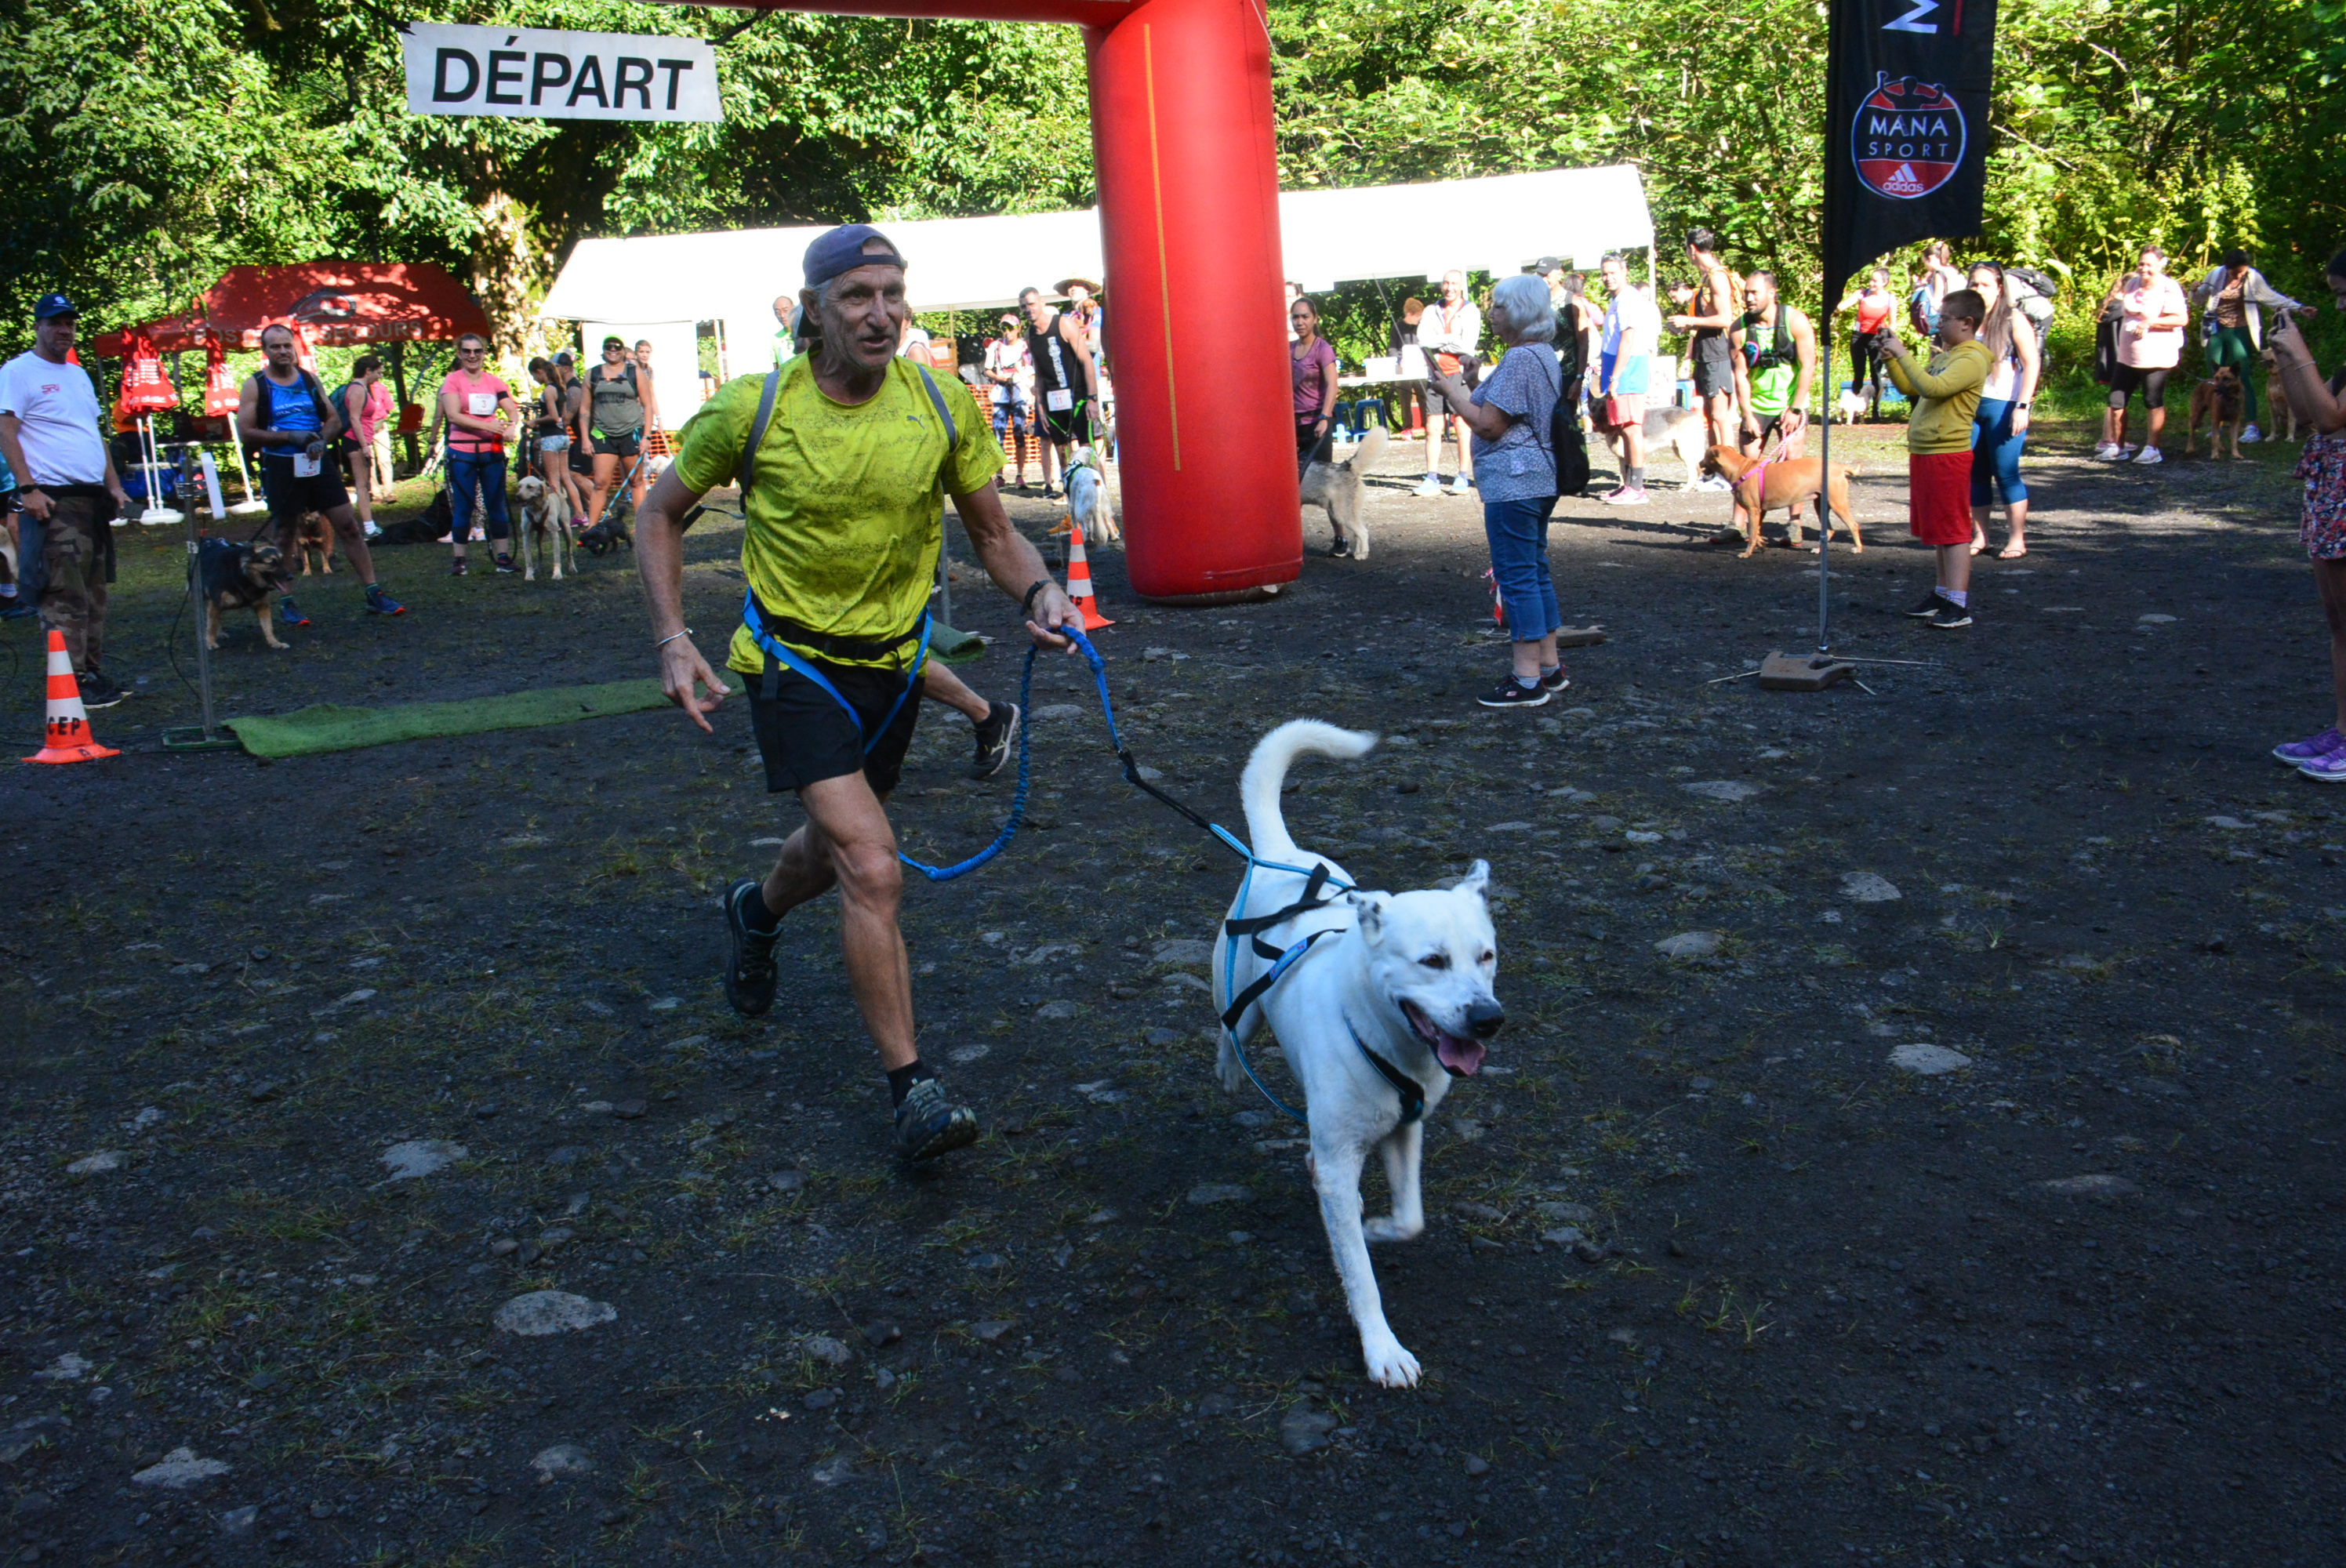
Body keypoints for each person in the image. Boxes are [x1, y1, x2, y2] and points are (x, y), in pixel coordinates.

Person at [637, 223, 1081, 1163]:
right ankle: (912, 1088)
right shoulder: (754, 410)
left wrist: (1041, 588)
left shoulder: (940, 400)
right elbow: (659, 510)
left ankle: (754, 913)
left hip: (895, 666)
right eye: (856, 297)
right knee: (873, 864)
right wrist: (674, 637)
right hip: (792, 665)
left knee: (831, 848)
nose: (879, 314)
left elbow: (995, 533)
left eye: (891, 293)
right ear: (814, 308)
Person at [1425, 274, 1565, 708]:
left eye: (1500, 307)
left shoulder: (1520, 360)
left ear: (1520, 312)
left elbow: (1488, 423)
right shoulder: (1539, 355)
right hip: (1538, 479)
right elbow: (1500, 408)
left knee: (1517, 576)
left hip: (1514, 483)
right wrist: (1469, 380)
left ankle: (1526, 681)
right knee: (1535, 572)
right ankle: (1549, 667)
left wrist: (1451, 391)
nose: (1492, 313)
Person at [0, 293, 133, 706]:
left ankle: (91, 673)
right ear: (38, 326)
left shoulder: (77, 375)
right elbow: (5, 430)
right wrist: (28, 490)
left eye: (70, 323)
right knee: (63, 592)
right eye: (55, 322)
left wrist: (113, 485)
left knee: (94, 592)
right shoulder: (18, 371)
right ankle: (70, 680)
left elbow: (93, 436)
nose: (64, 330)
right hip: (54, 501)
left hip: (92, 500)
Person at [238, 322, 406, 621]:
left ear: (295, 347)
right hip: (280, 465)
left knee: (349, 526)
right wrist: (290, 438)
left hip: (317, 463)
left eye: (287, 345)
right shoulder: (256, 385)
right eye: (275, 346)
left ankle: (374, 593)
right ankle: (288, 602)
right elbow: (246, 432)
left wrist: (320, 442)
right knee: (285, 534)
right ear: (265, 352)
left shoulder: (309, 380)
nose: (283, 351)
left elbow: (333, 420)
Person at [2262, 248, 2346, 779]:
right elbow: (2310, 416)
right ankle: (2342, 731)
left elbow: (2333, 414)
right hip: (2332, 489)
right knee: (2339, 624)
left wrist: (2302, 352)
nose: (2340, 306)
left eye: (2345, 294)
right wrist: (2289, 358)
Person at [1879, 288, 1992, 629]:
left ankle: (1958, 605)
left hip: (1948, 452)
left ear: (1967, 323)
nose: (1937, 324)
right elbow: (1913, 388)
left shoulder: (1971, 358)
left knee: (1954, 530)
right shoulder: (1949, 354)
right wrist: (1891, 358)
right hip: (1927, 450)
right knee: (1939, 529)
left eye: (1944, 318)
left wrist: (1903, 352)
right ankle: (1943, 594)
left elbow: (1934, 389)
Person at [2193, 249, 2316, 446]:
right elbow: (2198, 299)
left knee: (2243, 376)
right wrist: (2194, 290)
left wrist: (2299, 308)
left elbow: (2272, 297)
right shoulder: (2215, 275)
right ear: (2228, 268)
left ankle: (2252, 425)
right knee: (2215, 377)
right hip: (2215, 330)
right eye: (2236, 273)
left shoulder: (2252, 278)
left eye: (2242, 271)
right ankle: (2220, 421)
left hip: (2240, 330)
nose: (2240, 275)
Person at [1965, 262, 2042, 559]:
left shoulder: (2013, 319)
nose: (1979, 290)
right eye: (1974, 284)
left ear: (1999, 288)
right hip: (1971, 406)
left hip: (2005, 405)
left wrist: (2023, 405)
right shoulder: (1967, 320)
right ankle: (1980, 537)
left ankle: (2017, 539)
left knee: (2006, 473)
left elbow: (2032, 363)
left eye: (1985, 284)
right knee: (1976, 473)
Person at [434, 332, 522, 574]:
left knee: (497, 504)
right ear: (460, 354)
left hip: (491, 451)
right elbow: (453, 415)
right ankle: (460, 560)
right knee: (464, 506)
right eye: (467, 351)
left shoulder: (494, 382)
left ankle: (503, 557)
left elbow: (511, 408)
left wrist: (512, 424)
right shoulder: (452, 381)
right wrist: (489, 426)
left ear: (484, 353)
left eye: (477, 351)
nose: (472, 356)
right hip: (462, 451)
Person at [2097, 245, 2190, 463]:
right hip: (2128, 355)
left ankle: (2152, 449)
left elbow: (2181, 319)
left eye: (2149, 264)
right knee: (2116, 400)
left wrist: (2150, 322)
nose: (2144, 269)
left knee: (2152, 400)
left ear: (2160, 265)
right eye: (2141, 264)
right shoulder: (2132, 284)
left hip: (2157, 355)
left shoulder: (2169, 288)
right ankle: (2118, 447)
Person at [1730, 270, 1818, 468]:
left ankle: (1794, 500)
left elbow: (1807, 367)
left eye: (1754, 293)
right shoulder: (1739, 329)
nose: (1748, 298)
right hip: (1757, 406)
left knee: (1792, 469)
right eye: (1746, 293)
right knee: (1747, 470)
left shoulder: (1795, 321)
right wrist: (1747, 415)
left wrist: (1795, 409)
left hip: (1789, 404)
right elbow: (1740, 375)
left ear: (1771, 293)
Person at [1019, 285, 1101, 499]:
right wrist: (1040, 408)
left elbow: (1086, 361)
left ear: (1041, 303)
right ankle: (1071, 496)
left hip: (1078, 396)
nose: (1028, 309)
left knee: (1086, 448)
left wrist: (1092, 399)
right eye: (1023, 307)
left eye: (1031, 304)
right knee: (1062, 451)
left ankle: (1099, 497)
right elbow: (1039, 372)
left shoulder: (1063, 324)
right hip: (1052, 401)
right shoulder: (1030, 334)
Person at [1671, 228, 1741, 475]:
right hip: (1705, 352)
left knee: (1720, 415)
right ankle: (1715, 470)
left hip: (1718, 352)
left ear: (1692, 249)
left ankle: (1730, 471)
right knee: (1710, 416)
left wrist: (1688, 322)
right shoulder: (1706, 276)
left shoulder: (1717, 277)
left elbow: (1725, 318)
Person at [1594, 252, 1662, 506]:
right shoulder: (1617, 299)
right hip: (1618, 367)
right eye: (1604, 273)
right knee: (1622, 427)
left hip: (1629, 369)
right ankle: (1628, 484)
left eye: (1613, 273)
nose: (1608, 278)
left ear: (1625, 272)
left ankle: (1637, 488)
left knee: (1632, 429)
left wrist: (1616, 377)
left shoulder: (1629, 300)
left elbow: (1628, 338)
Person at [1415, 270, 1481, 497]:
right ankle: (1431, 477)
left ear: (1461, 286)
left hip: (1459, 375)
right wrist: (1451, 340)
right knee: (1432, 429)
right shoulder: (1431, 310)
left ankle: (1463, 476)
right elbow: (1423, 340)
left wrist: (1439, 342)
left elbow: (1468, 346)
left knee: (1462, 427)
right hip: (1435, 375)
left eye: (1454, 283)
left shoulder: (1470, 311)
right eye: (1445, 282)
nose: (1449, 287)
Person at [583, 336, 659, 529]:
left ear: (623, 351)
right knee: (600, 483)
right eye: (609, 347)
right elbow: (584, 410)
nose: (613, 350)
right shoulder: (592, 374)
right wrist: (585, 438)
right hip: (603, 434)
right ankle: (592, 528)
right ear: (603, 350)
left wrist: (647, 436)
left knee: (636, 481)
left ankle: (643, 525)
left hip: (631, 432)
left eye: (617, 348)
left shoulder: (634, 373)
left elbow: (648, 405)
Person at [336, 355, 392, 540]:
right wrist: (364, 445)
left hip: (362, 440)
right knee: (361, 485)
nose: (380, 376)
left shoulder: (362, 389)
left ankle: (369, 525)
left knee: (365, 483)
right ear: (368, 371)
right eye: (378, 372)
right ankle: (368, 528)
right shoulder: (357, 389)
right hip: (355, 441)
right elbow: (354, 418)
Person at [1834, 267, 1898, 418]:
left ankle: (1876, 410)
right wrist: (1837, 303)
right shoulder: (1862, 294)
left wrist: (1887, 337)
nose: (1871, 283)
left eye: (1875, 281)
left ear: (1885, 282)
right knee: (1859, 373)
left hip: (1877, 339)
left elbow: (1893, 324)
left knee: (1876, 374)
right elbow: (1841, 307)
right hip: (1859, 337)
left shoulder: (1890, 299)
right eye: (1871, 280)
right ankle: (1854, 410)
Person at [1291, 295, 1340, 481]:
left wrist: (1324, 418)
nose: (1300, 322)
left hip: (1317, 422)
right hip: (1294, 426)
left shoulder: (1322, 348)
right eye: (1296, 317)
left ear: (1315, 319)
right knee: (1296, 482)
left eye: (1305, 316)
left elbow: (1333, 385)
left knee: (1320, 482)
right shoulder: (1288, 349)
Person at [982, 314, 1032, 489]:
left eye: (1010, 327)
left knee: (1019, 432)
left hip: (1019, 393)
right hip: (1001, 394)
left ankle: (1020, 474)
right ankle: (1000, 475)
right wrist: (998, 377)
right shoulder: (995, 346)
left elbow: (1031, 369)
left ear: (1018, 328)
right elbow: (987, 370)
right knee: (998, 435)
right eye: (1004, 327)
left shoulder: (1025, 347)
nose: (1007, 331)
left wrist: (1024, 380)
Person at [1908, 241, 1966, 337]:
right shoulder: (1952, 271)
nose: (1926, 267)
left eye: (1925, 262)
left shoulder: (1939, 275)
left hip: (1945, 325)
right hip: (1958, 319)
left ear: (1930, 258)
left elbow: (1937, 303)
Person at [1392, 296, 1428, 436]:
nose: (1419, 319)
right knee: (1405, 398)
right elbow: (1392, 348)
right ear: (1409, 315)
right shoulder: (1397, 328)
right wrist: (1399, 360)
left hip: (1420, 367)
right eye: (1417, 316)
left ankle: (1427, 426)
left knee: (1424, 396)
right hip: (1404, 370)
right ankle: (1407, 428)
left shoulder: (1422, 327)